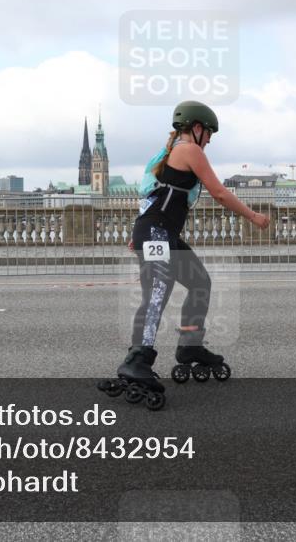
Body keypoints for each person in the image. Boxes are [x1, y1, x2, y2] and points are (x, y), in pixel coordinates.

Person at [99, 100, 270, 410]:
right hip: (156, 235)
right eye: (209, 132)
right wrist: (253, 216)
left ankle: (190, 346)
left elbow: (153, 195)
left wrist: (135, 234)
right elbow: (219, 192)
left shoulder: (168, 153)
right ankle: (137, 359)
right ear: (196, 128)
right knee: (157, 295)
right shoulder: (190, 150)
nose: (211, 139)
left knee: (200, 282)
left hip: (160, 234)